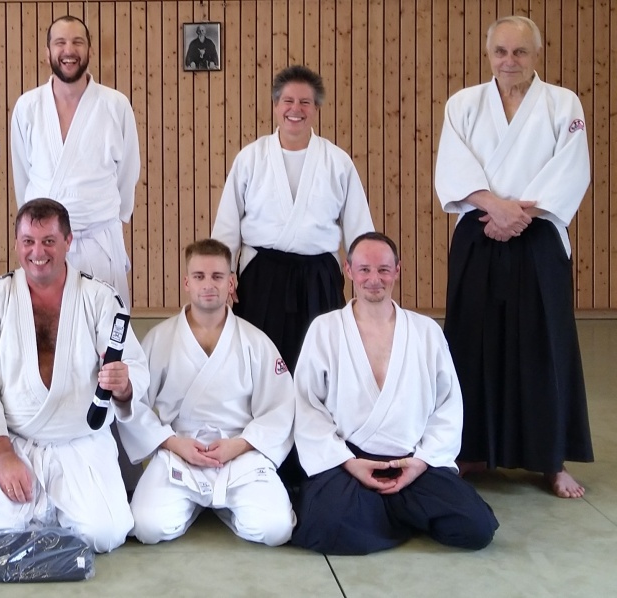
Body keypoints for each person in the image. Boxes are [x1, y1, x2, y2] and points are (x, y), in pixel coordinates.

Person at [434, 16, 592, 498]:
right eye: (500, 52)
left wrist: (520, 213)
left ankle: (550, 460)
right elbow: (452, 166)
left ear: (536, 55)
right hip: (479, 227)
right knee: (470, 338)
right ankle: (470, 449)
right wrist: (495, 206)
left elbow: (571, 168)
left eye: (520, 52)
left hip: (539, 230)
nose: (509, 61)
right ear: (488, 55)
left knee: (544, 341)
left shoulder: (563, 103)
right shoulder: (463, 104)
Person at [0, 199, 148, 553]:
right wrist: (2, 455)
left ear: (68, 241)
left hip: (80, 442)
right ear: (16, 244)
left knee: (106, 533)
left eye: (48, 241)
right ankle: (48, 514)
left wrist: (123, 385)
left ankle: (47, 515)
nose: (37, 252)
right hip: (14, 440)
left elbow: (131, 365)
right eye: (28, 241)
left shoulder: (100, 298)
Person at [291, 232, 498, 555]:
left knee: (476, 528)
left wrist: (422, 462)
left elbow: (448, 406)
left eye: (384, 270)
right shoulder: (325, 328)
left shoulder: (426, 331)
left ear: (397, 270)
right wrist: (347, 462)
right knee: (325, 527)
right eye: (364, 269)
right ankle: (403, 511)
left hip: (411, 460)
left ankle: (377, 511)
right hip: (350, 461)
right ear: (348, 270)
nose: (374, 279)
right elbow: (307, 405)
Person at [119, 239, 295, 547]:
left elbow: (280, 407)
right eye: (199, 276)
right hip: (180, 451)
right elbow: (135, 405)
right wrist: (173, 443)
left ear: (231, 283)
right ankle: (204, 502)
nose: (208, 285)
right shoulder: (160, 339)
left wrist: (240, 445)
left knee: (276, 529)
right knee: (148, 527)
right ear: (187, 282)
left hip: (240, 452)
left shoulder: (256, 341)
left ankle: (219, 502)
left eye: (217, 276)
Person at [212, 65, 374, 375]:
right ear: (275, 106)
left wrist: (367, 273)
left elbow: (359, 228)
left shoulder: (337, 161)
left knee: (323, 363)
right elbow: (227, 225)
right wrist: (223, 273)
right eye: (287, 101)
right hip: (262, 276)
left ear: (316, 109)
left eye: (305, 102)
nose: (295, 109)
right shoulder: (251, 158)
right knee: (259, 364)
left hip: (319, 277)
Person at [10, 15, 140, 308]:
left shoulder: (115, 105)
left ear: (90, 50)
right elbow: (22, 175)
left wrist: (108, 214)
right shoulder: (27, 107)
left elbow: (128, 173)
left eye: (77, 42)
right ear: (47, 53)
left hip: (98, 239)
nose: (69, 50)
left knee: (105, 325)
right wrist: (36, 225)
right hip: (45, 245)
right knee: (44, 326)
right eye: (60, 43)